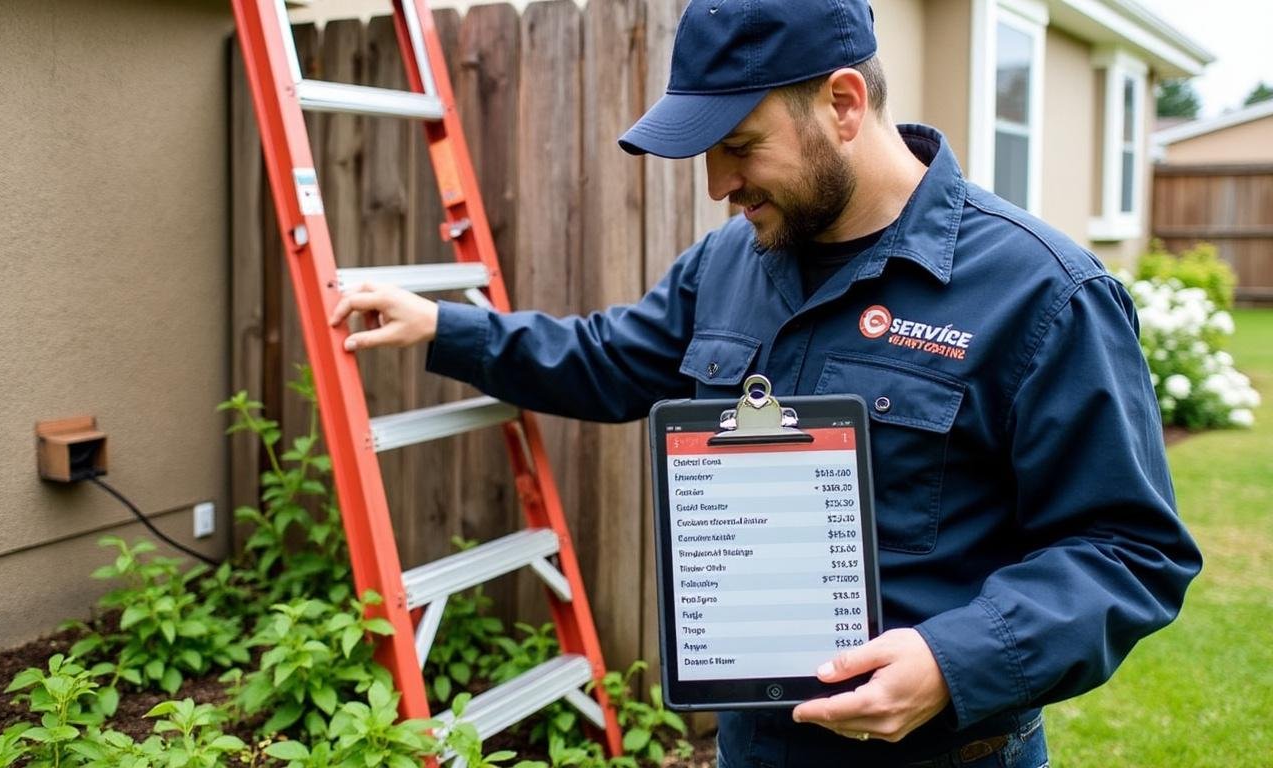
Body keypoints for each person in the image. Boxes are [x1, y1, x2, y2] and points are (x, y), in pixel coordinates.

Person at [328, 0, 1201, 765]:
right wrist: (445, 325)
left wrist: (952, 662)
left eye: (741, 146)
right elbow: (609, 360)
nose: (717, 187)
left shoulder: (1043, 293)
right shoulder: (731, 262)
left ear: (844, 103)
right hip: (751, 744)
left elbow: (1130, 550)